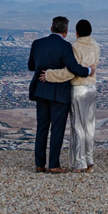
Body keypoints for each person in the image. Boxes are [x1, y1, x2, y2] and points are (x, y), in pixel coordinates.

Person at [28, 16, 92, 173]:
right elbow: (73, 68)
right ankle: (54, 165)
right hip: (59, 94)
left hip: (41, 91)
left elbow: (31, 66)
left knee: (42, 127)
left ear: (51, 28)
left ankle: (39, 164)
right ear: (65, 32)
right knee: (57, 129)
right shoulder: (65, 46)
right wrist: (89, 71)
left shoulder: (37, 44)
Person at [43, 19, 100, 172]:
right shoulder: (95, 45)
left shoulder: (74, 46)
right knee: (90, 126)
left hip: (78, 89)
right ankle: (90, 160)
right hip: (92, 88)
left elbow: (70, 71)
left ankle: (79, 163)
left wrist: (49, 75)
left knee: (77, 126)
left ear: (76, 32)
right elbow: (92, 67)